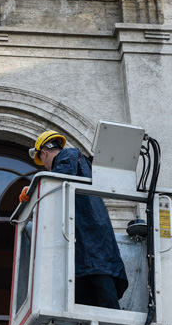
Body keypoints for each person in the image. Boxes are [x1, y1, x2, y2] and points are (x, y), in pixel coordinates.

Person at [27, 130, 127, 309]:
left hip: (89, 241)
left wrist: (33, 191)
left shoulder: (68, 156)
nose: (46, 167)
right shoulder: (80, 163)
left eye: (44, 163)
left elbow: (58, 184)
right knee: (95, 294)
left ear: (44, 153)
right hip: (92, 242)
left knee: (101, 290)